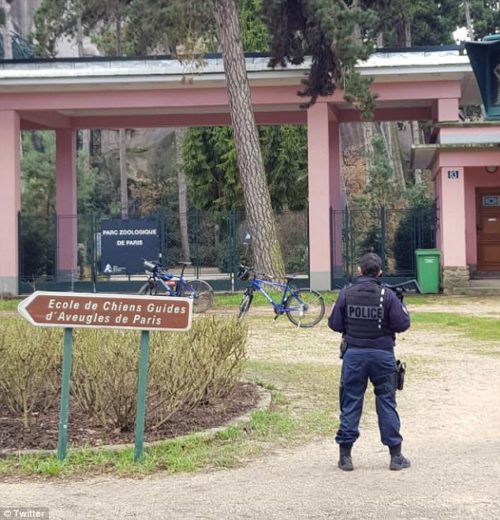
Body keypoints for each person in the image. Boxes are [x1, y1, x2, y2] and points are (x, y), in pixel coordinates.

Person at [328, 252, 411, 471]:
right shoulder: (388, 295)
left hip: (354, 354)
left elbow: (334, 323)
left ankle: (345, 457)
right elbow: (402, 324)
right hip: (382, 354)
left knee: (351, 401)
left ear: (359, 270)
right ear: (379, 273)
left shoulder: (346, 293)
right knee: (386, 401)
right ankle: (396, 456)